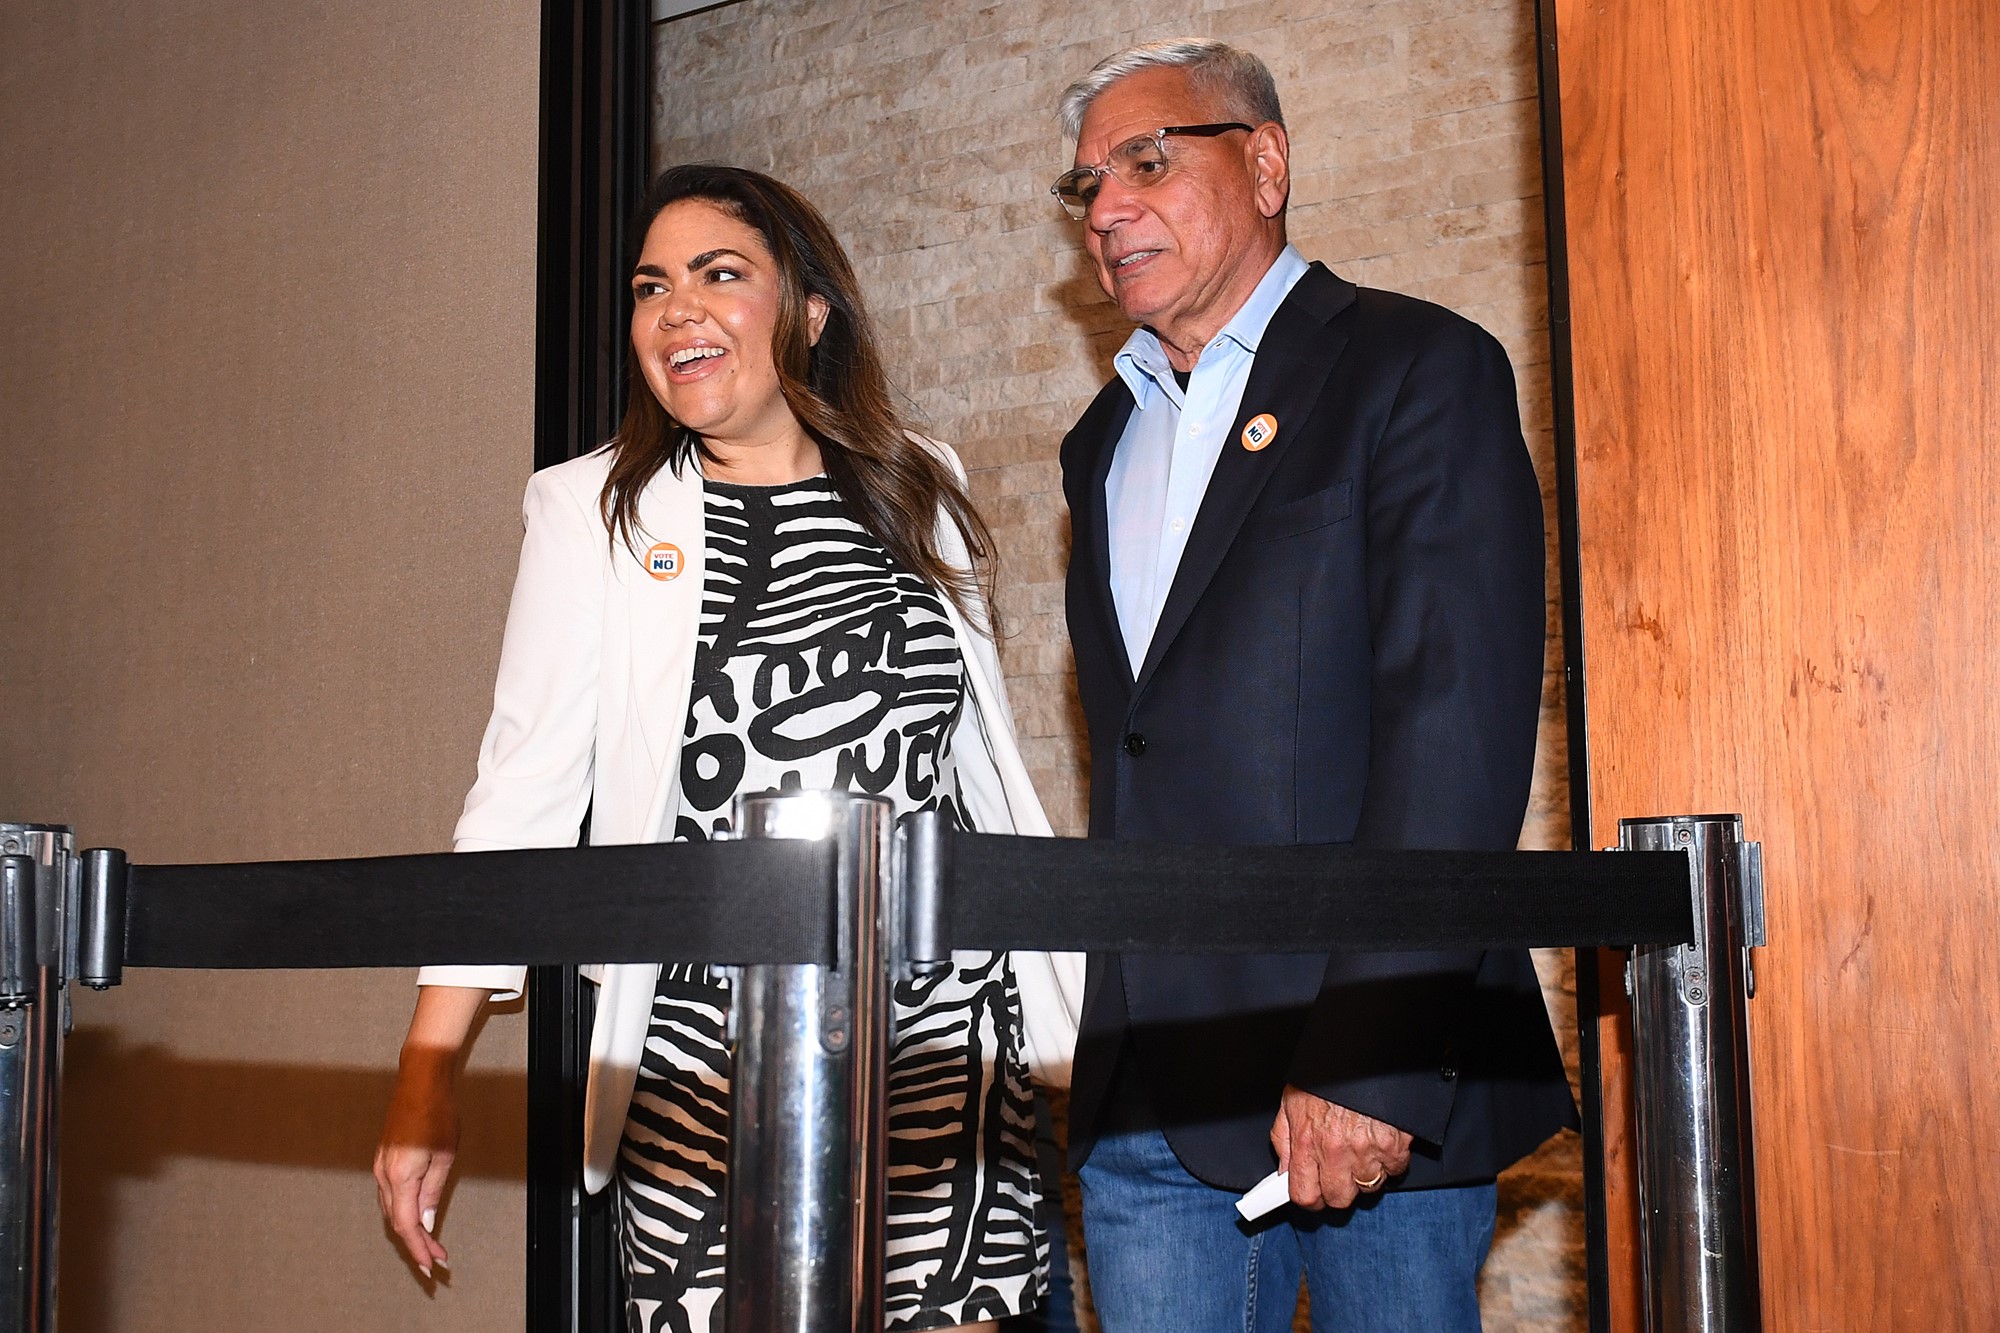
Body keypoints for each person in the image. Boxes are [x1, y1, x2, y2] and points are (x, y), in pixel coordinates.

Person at [373, 164, 1066, 1333]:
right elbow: (519, 801)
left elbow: (977, 770)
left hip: (943, 1048)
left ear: (806, 310)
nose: (675, 308)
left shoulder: (918, 481)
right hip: (707, 1059)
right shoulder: (591, 509)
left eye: (718, 274)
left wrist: (1062, 1012)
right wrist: (426, 1072)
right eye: (651, 287)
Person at [1049, 39, 1579, 1332]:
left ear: (1267, 162)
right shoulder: (1099, 442)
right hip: (1144, 1101)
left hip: (1361, 1088)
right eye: (1085, 188)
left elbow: (1455, 725)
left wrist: (1369, 1055)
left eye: (1149, 162)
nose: (1108, 208)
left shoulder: (1417, 370)